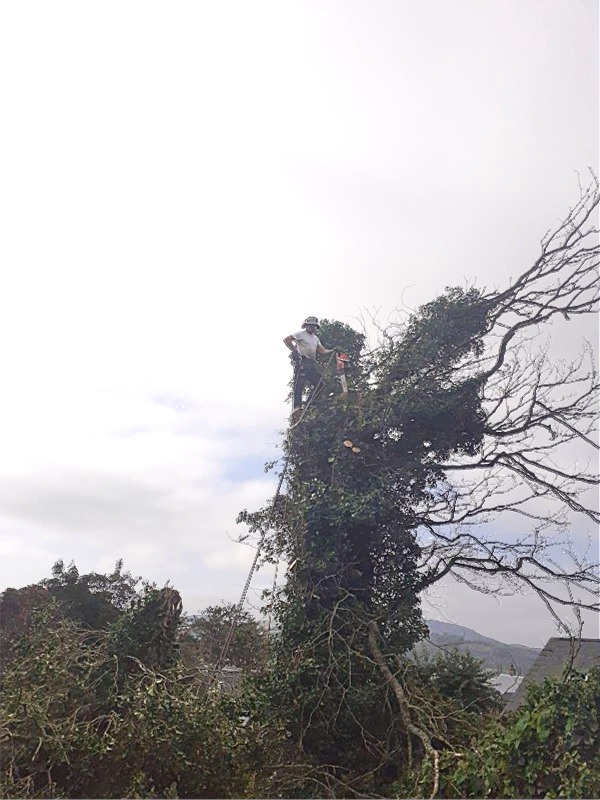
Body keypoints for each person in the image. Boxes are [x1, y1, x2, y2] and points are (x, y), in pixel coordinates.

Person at [284, 316, 337, 416]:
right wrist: (295, 351)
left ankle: (310, 403)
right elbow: (287, 340)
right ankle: (297, 407)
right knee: (300, 383)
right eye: (311, 326)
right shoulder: (300, 334)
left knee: (320, 384)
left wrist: (332, 351)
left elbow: (322, 350)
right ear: (306, 325)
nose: (312, 328)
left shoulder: (315, 338)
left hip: (311, 362)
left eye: (314, 326)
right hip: (302, 361)